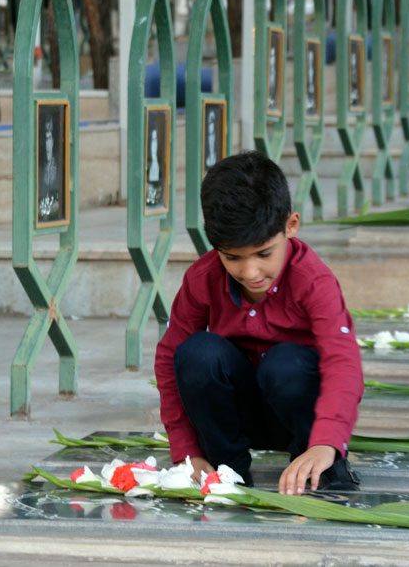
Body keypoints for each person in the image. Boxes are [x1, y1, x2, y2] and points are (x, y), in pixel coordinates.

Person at [155, 151, 364, 494]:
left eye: (264, 253)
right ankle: (226, 471)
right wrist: (186, 450)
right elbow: (168, 359)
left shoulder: (314, 281)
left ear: (291, 226)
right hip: (236, 416)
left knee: (286, 364)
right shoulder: (202, 279)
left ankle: (318, 467)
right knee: (197, 352)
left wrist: (327, 441)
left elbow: (343, 362)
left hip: (300, 415)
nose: (250, 273)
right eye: (232, 257)